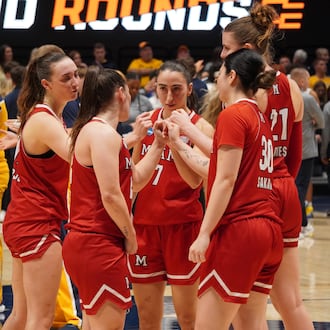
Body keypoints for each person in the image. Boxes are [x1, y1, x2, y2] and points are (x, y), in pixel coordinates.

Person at [220, 3, 314, 329]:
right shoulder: (292, 88)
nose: (222, 56)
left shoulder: (241, 91)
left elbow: (233, 159)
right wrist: (283, 180)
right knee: (291, 302)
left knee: (246, 304)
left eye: (226, 49)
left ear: (245, 50)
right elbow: (295, 155)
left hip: (256, 194)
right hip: (285, 188)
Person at [62, 66, 167, 330]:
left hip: (89, 243)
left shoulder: (99, 132)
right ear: (121, 93)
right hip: (98, 243)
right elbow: (111, 195)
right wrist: (131, 236)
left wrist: (157, 146)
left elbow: (133, 182)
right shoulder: (103, 134)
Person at [187, 48, 282, 330]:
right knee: (251, 324)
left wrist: (204, 233)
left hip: (240, 230)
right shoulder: (261, 117)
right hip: (267, 230)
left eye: (219, 73)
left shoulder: (233, 115)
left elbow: (226, 180)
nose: (216, 79)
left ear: (231, 76)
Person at [128, 60, 214, 330]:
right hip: (144, 228)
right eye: (162, 88)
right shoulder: (145, 123)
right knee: (147, 319)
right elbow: (132, 180)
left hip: (183, 229)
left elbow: (192, 181)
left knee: (189, 320)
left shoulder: (201, 128)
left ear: (189, 89)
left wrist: (175, 141)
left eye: (176, 89)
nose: (168, 97)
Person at [2, 49, 80, 330]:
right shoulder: (45, 120)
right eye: (66, 78)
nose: (75, 82)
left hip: (22, 220)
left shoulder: (42, 116)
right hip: (37, 223)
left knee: (20, 317)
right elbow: (81, 157)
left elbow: (68, 137)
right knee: (41, 319)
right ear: (46, 84)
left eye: (76, 75)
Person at [290, 68, 324, 238]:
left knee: (293, 186)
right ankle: (300, 224)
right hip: (306, 149)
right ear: (302, 82)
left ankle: (296, 223)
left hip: (289, 147)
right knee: (301, 187)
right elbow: (322, 121)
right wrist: (313, 122)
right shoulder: (307, 98)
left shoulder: (286, 96)